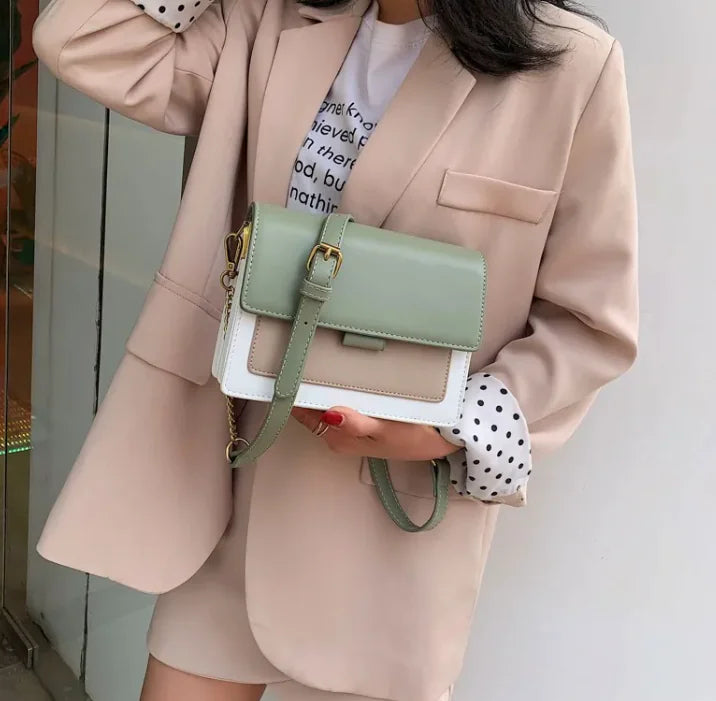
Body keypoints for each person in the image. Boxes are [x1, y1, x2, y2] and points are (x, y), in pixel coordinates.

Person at [31, 0, 638, 698]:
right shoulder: (270, 21)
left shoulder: (570, 66)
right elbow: (81, 37)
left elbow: (590, 322)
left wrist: (451, 426)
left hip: (385, 528)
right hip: (228, 494)